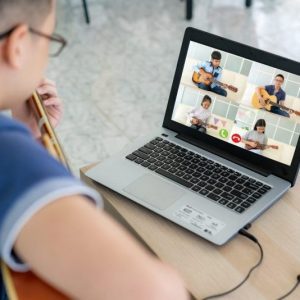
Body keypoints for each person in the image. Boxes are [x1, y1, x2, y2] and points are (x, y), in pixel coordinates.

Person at [0, 1, 189, 299]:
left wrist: (29, 133)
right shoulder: (10, 154)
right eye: (50, 40)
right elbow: (154, 292)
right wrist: (22, 149)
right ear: (19, 45)